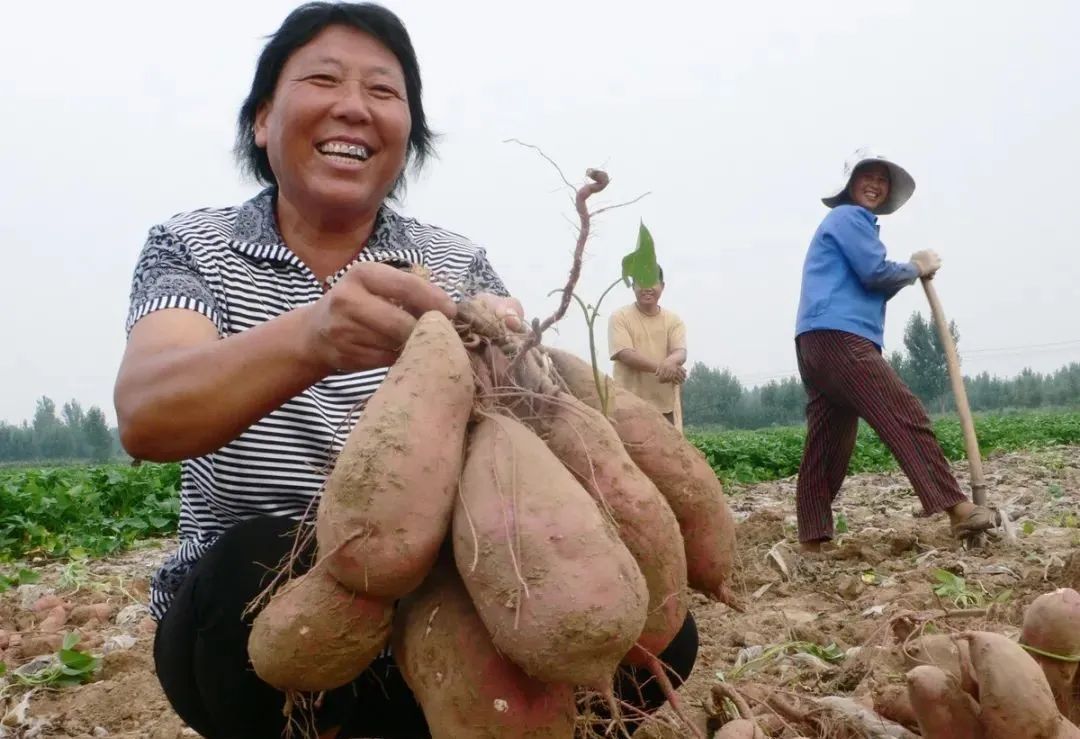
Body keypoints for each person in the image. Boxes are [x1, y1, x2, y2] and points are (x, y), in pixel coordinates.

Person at [113, 4, 697, 737]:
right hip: (276, 623)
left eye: (384, 93)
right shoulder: (193, 247)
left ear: (408, 137)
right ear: (262, 120)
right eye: (324, 80)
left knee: (648, 624)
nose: (354, 107)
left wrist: (514, 367)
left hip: (438, 606)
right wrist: (315, 337)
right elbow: (146, 412)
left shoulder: (456, 265)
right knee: (249, 572)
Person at [793, 148, 995, 553]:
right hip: (838, 337)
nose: (875, 185)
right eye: (867, 176)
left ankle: (813, 539)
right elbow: (875, 273)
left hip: (815, 339)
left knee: (828, 441)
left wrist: (906, 270)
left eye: (882, 180)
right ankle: (957, 507)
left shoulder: (852, 226)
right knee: (902, 412)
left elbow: (871, 276)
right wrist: (915, 267)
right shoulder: (848, 217)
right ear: (850, 184)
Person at [608, 266, 688, 423]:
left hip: (665, 409)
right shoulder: (620, 317)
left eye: (652, 282)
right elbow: (626, 354)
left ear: (662, 286)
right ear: (633, 286)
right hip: (627, 407)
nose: (647, 288)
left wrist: (672, 362)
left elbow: (680, 351)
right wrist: (664, 369)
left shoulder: (673, 320)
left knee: (668, 448)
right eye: (641, 282)